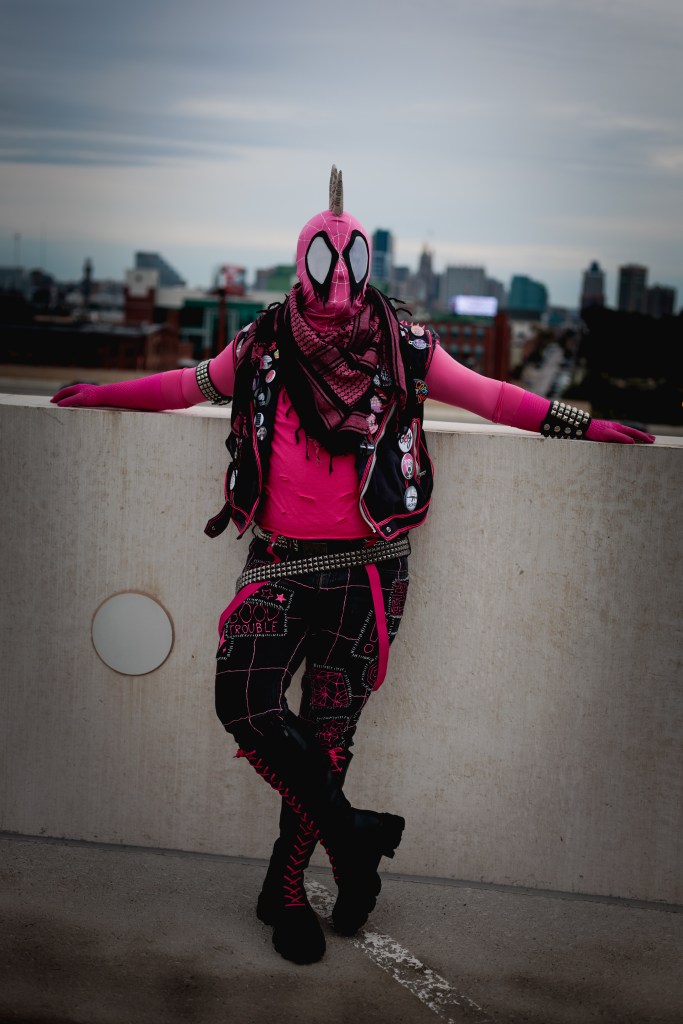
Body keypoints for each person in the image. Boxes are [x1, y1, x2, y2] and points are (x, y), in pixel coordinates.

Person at [52, 166, 655, 966]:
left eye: (351, 259)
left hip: (370, 574)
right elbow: (187, 386)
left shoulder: (405, 344)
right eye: (323, 259)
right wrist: (100, 395)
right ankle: (354, 837)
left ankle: (287, 892)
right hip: (278, 566)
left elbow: (493, 397)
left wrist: (584, 422)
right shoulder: (264, 340)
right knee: (244, 700)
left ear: (367, 261)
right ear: (301, 259)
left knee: (329, 741)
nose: (338, 277)